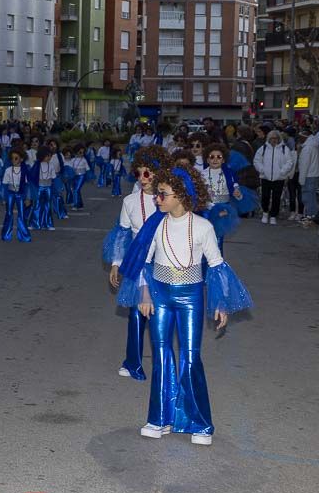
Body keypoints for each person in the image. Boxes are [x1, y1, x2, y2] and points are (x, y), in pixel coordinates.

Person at [114, 166, 252, 446]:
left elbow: (216, 266)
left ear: (181, 195)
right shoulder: (155, 224)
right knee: (162, 355)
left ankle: (199, 422)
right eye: (157, 194)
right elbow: (144, 262)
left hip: (191, 297)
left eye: (162, 194)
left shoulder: (203, 226)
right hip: (159, 294)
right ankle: (160, 418)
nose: (157, 198)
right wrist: (144, 294)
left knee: (190, 356)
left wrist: (220, 303)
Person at [104, 145, 167, 381]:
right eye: (139, 173)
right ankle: (132, 363)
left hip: (163, 262)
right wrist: (116, 263)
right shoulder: (130, 201)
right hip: (137, 262)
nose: (143, 178)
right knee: (136, 315)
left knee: (162, 314)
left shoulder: (169, 198)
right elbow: (121, 234)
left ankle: (164, 364)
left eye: (148, 172)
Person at [253, 129, 295, 225]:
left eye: (276, 138)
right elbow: (256, 161)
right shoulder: (263, 148)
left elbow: (289, 162)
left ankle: (273, 216)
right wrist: (262, 170)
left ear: (279, 139)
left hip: (279, 178)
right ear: (269, 139)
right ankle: (265, 213)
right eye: (272, 138)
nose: (274, 140)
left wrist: (282, 171)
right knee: (265, 196)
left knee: (277, 198)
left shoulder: (284, 149)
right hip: (265, 177)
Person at [297, 127, 319, 224]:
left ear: (305, 136)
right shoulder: (314, 144)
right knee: (312, 196)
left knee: (307, 196)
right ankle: (312, 214)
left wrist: (301, 179)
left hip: (308, 175)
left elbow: (304, 165)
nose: (299, 139)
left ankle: (310, 215)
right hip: (315, 173)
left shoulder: (307, 148)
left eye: (300, 137)